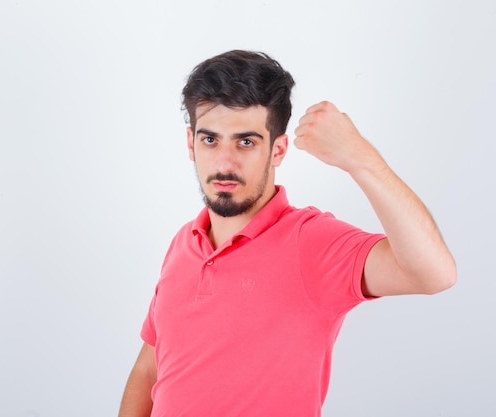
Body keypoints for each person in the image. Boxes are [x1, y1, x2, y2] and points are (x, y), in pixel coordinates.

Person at [118, 50, 456, 417]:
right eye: (210, 140)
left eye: (245, 142)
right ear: (190, 143)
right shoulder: (184, 242)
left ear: (277, 150)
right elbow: (149, 368)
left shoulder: (310, 241)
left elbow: (434, 273)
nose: (224, 162)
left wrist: (359, 158)